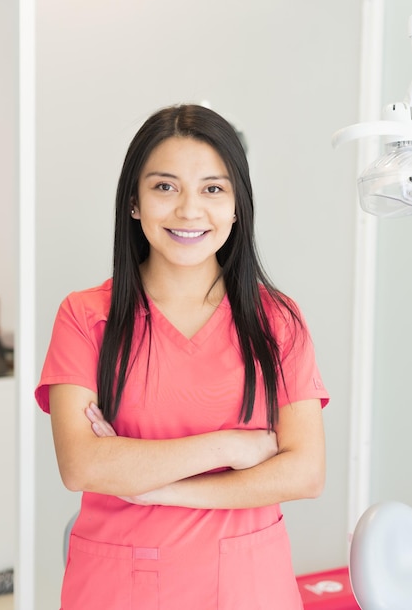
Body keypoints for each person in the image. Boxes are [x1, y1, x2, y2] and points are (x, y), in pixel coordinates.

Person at [35, 104, 329, 610]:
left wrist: (156, 489)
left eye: (213, 189)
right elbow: (81, 464)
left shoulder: (277, 320)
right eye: (165, 187)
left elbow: (304, 472)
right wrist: (230, 449)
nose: (190, 210)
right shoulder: (87, 317)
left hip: (248, 585)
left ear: (238, 206)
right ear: (134, 201)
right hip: (118, 588)